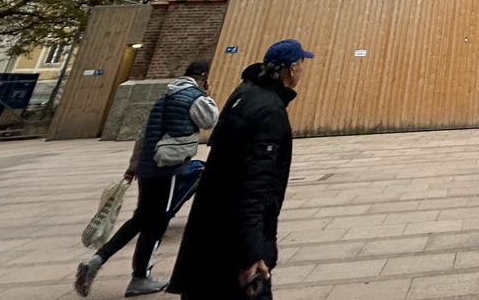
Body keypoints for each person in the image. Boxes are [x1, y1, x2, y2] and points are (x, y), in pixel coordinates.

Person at [168, 39, 314, 300]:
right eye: (301, 64)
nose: (302, 70)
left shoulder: (244, 94)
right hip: (233, 246)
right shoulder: (269, 111)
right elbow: (255, 186)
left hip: (211, 235)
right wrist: (252, 252)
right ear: (292, 69)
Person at [76, 60, 219, 298]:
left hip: (148, 167)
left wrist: (133, 166)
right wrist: (207, 94)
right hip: (169, 167)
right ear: (204, 76)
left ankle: (111, 265)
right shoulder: (194, 97)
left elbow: (144, 133)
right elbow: (209, 121)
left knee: (144, 218)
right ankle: (129, 272)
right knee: (157, 221)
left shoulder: (165, 95)